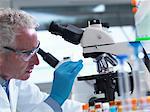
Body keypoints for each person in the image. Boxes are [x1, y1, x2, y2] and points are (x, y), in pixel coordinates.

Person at [0, 8, 83, 112]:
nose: (36, 62)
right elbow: (51, 104)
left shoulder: (12, 80)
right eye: (27, 53)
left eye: (36, 51)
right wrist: (56, 99)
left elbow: (40, 103)